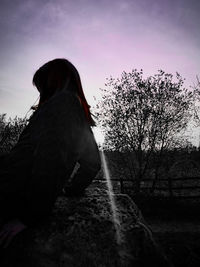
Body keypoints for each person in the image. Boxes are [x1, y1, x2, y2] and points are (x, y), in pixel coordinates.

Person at [0, 58, 101, 247]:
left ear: (53, 79)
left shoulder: (61, 104)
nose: (40, 93)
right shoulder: (74, 108)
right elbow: (92, 162)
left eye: (41, 86)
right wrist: (71, 190)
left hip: (10, 191)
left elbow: (49, 160)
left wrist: (30, 216)